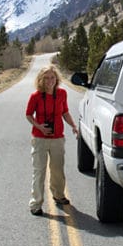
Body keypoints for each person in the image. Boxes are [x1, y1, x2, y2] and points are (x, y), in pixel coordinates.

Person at [25, 65, 78, 216]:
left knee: (57, 170)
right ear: (41, 79)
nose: (50, 81)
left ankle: (59, 195)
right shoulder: (35, 96)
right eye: (46, 78)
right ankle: (36, 203)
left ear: (57, 79)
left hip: (57, 138)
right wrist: (39, 126)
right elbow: (28, 115)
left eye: (52, 77)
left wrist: (73, 126)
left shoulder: (62, 93)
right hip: (40, 139)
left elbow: (65, 112)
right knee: (39, 171)